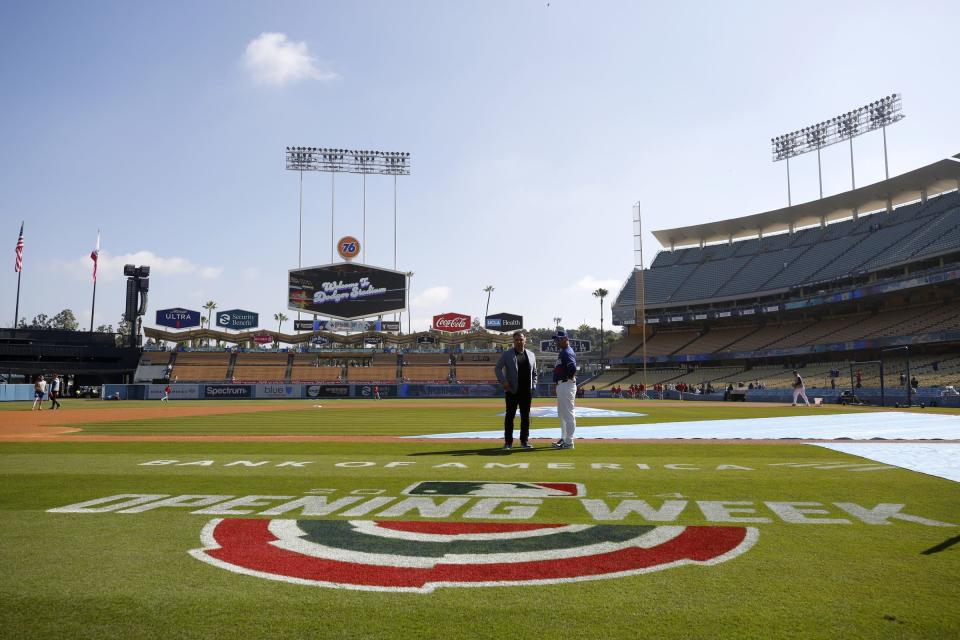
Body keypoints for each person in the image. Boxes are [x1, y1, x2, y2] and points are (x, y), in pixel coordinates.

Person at [494, 331, 538, 450]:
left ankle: (524, 441)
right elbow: (497, 368)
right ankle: (508, 442)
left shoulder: (531, 355)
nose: (519, 341)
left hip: (526, 391)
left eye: (521, 339)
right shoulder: (507, 354)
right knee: (510, 417)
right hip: (512, 391)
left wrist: (533, 385)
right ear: (513, 341)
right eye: (516, 340)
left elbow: (535, 373)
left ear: (525, 340)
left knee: (525, 417)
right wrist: (504, 382)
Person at [551, 329, 577, 449]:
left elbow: (572, 368)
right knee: (562, 414)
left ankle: (569, 441)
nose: (556, 341)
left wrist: (568, 379)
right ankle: (564, 438)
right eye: (556, 339)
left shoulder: (567, 352)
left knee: (568, 414)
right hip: (563, 384)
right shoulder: (563, 351)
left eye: (559, 339)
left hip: (566, 384)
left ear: (566, 339)